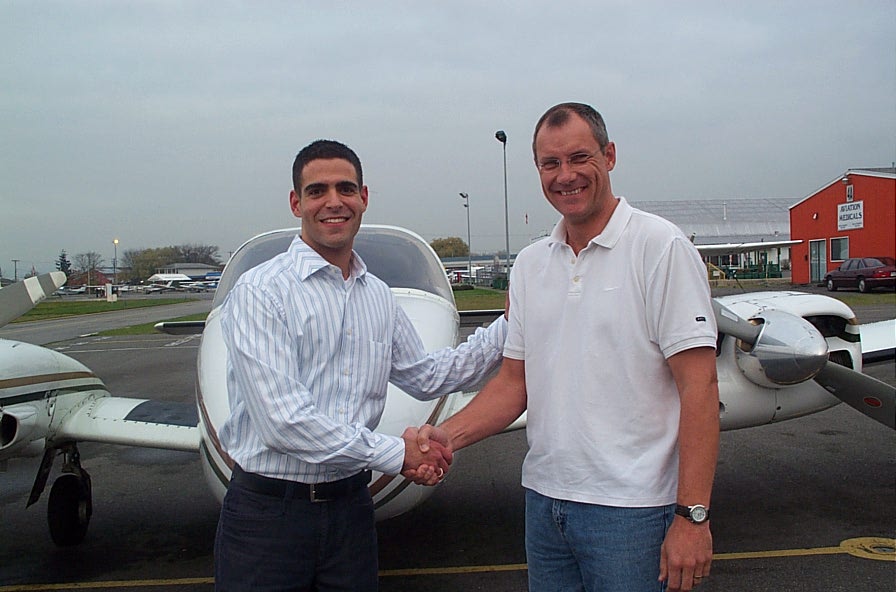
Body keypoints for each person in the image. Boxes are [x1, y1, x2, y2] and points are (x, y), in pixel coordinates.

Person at [410, 103, 720, 592]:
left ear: (609, 155)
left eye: (579, 158)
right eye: (550, 163)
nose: (565, 175)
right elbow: (514, 384)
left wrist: (693, 516)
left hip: (632, 513)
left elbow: (700, 387)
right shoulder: (531, 264)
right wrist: (445, 438)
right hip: (545, 504)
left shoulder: (660, 247)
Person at [214, 139, 507, 591]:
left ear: (363, 197)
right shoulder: (261, 291)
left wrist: (511, 323)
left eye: (345, 189)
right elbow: (283, 422)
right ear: (296, 203)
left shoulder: (378, 297)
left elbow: (428, 376)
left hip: (351, 511)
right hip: (268, 516)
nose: (334, 202)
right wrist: (399, 455)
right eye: (317, 191)